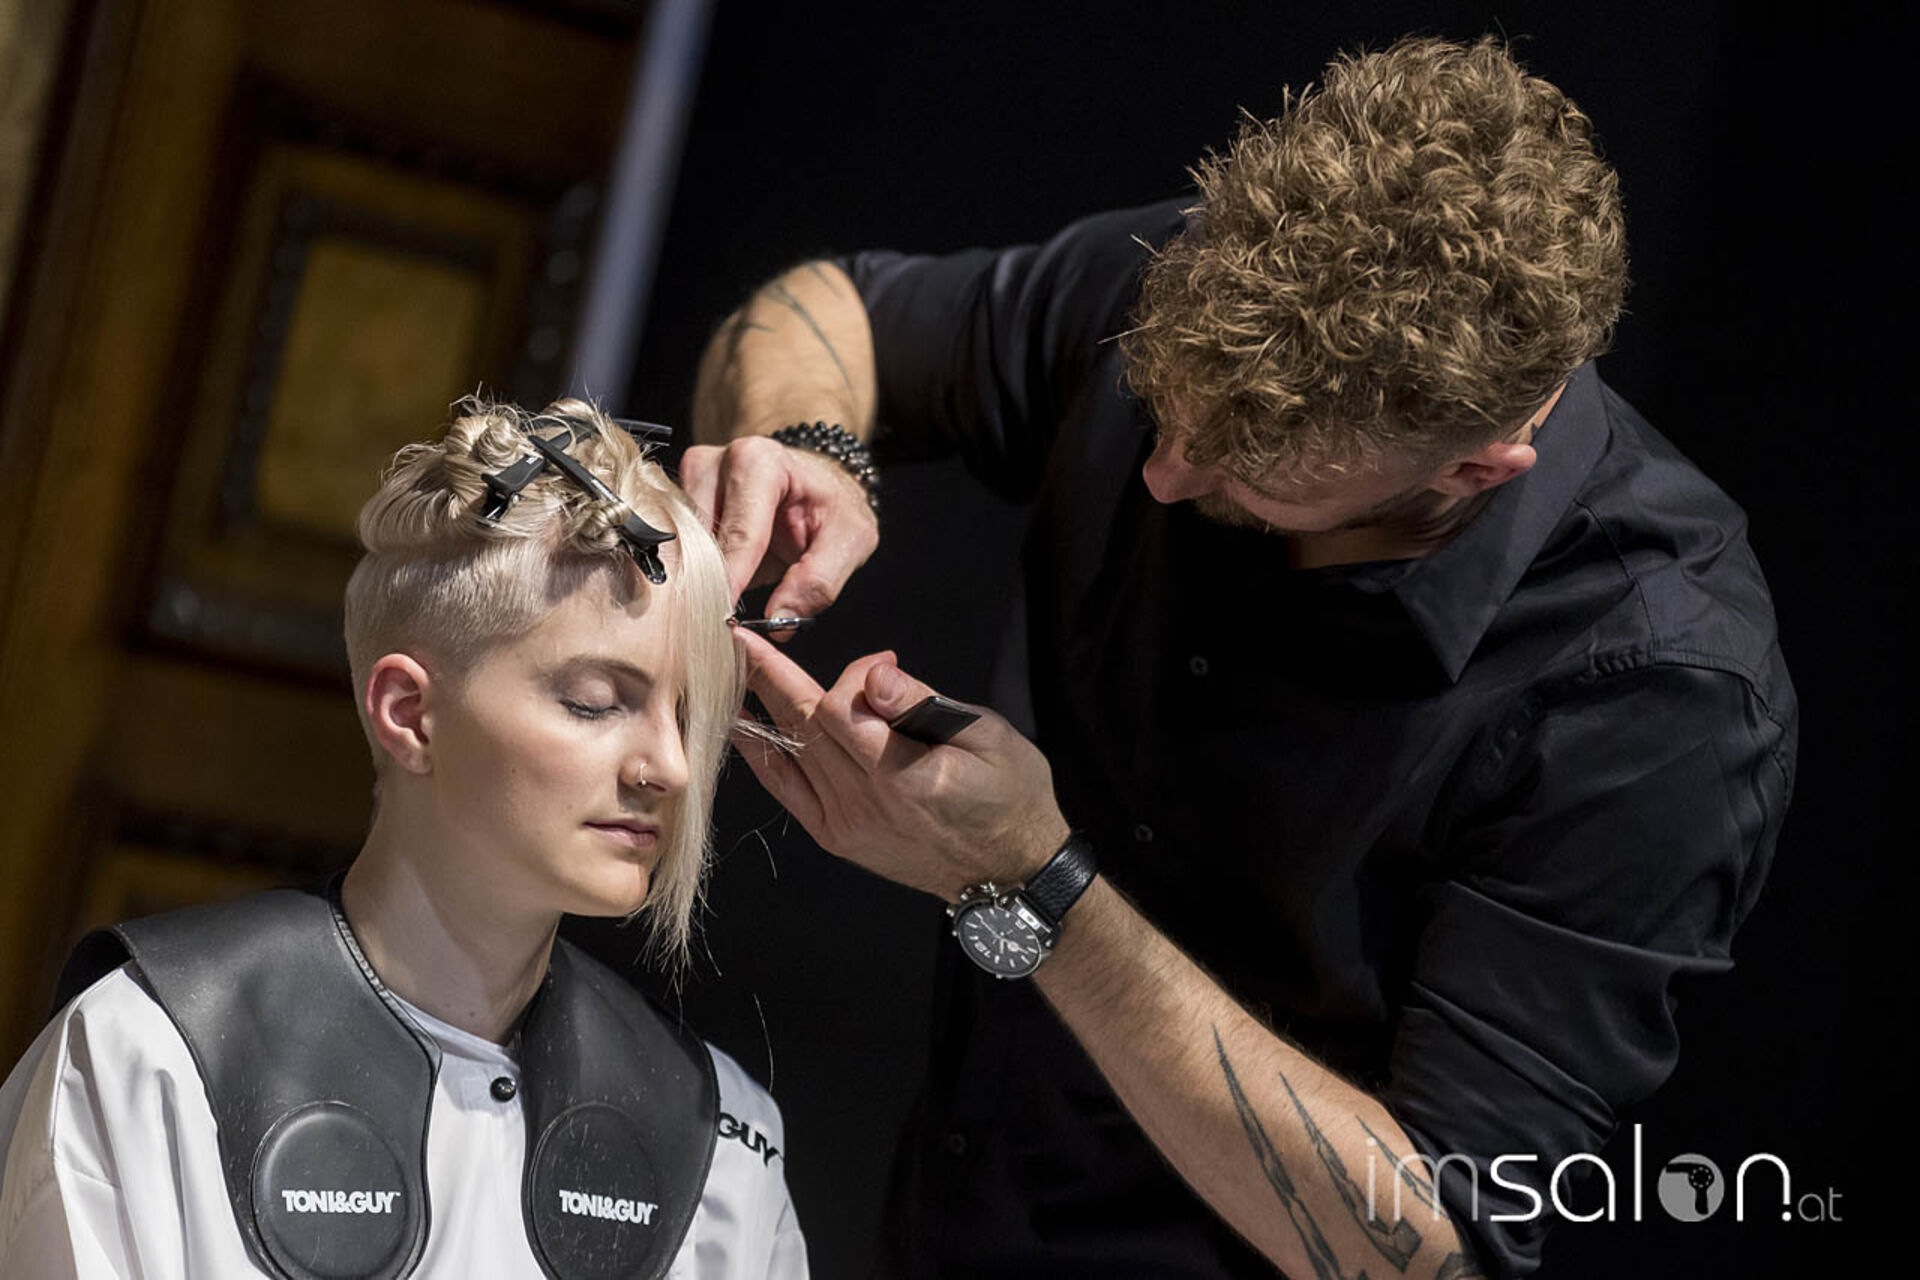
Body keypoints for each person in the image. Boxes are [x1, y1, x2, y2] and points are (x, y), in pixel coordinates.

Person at [685, 35, 1795, 1280]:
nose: (1163, 476)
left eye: (1251, 469)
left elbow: (1437, 1241)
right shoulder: (1192, 281)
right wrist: (809, 444)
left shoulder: (1662, 691)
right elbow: (825, 310)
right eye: (1160, 409)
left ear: (1474, 468)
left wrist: (1036, 885)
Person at [0, 401, 809, 1279]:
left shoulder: (719, 1146)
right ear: (410, 713)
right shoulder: (148, 1059)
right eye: (594, 702)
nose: (670, 768)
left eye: (686, 716)